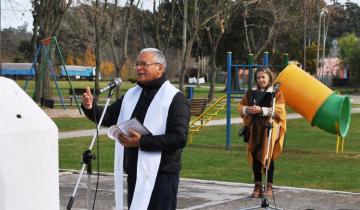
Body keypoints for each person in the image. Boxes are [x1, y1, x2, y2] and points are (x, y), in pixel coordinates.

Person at [82, 48, 190, 210]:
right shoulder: (132, 94)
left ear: (160, 68)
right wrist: (90, 107)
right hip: (134, 173)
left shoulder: (175, 98)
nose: (139, 68)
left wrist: (141, 142)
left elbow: (179, 138)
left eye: (144, 64)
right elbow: (108, 116)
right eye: (137, 64)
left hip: (162, 175)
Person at [237, 68, 286, 198]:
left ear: (269, 77)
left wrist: (262, 110)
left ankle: (269, 186)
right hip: (254, 128)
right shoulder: (250, 93)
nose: (261, 80)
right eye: (258, 77)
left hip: (269, 128)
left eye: (263, 77)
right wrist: (248, 109)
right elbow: (240, 106)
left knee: (267, 156)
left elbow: (280, 110)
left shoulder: (276, 93)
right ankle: (257, 185)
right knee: (255, 155)